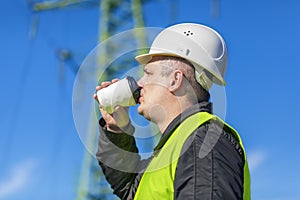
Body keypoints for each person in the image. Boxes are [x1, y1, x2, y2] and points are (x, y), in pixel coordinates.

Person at [94, 23, 251, 200]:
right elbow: (130, 187)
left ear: (174, 79)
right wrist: (116, 128)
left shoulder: (203, 142)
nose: (140, 83)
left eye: (148, 73)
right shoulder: (176, 147)